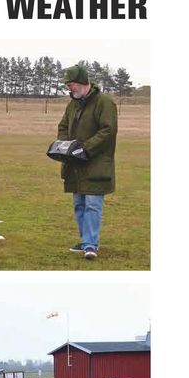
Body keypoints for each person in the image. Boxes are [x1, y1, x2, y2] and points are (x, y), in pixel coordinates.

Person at [56, 64, 118, 260]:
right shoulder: (72, 104)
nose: (69, 88)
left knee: (92, 203)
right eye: (68, 85)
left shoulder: (104, 103)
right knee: (79, 204)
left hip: (96, 163)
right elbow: (63, 126)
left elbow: (108, 131)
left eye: (72, 84)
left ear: (83, 83)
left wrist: (85, 148)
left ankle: (91, 244)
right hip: (75, 164)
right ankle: (85, 241)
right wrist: (65, 145)